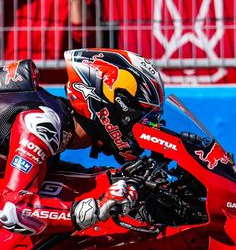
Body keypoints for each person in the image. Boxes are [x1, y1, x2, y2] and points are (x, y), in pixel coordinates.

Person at [0, 48, 164, 235]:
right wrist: (88, 211)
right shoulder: (43, 122)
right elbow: (13, 208)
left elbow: (49, 176)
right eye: (140, 116)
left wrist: (112, 178)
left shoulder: (55, 120)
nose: (144, 125)